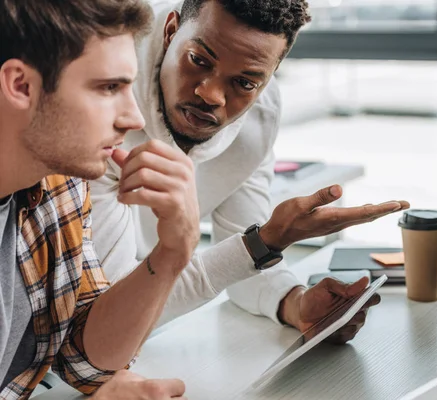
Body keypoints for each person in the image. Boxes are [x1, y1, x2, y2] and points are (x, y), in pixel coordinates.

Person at [90, 0, 410, 342]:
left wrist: (296, 303)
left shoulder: (258, 118)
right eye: (198, 60)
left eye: (244, 83)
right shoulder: (101, 99)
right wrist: (264, 242)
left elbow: (241, 262)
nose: (210, 95)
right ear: (170, 32)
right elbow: (105, 312)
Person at [0, 0, 197, 398]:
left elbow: (83, 360)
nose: (135, 118)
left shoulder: (58, 182)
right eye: (109, 87)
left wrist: (174, 251)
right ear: (21, 84)